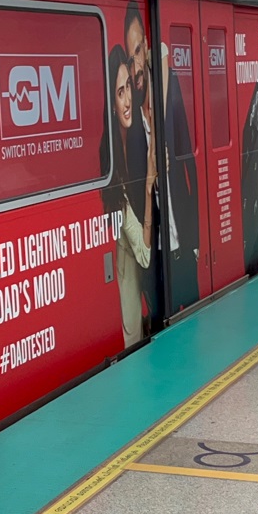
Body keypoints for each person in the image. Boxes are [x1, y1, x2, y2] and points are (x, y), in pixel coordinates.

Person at [124, 5, 198, 315]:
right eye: (132, 60)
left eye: (140, 52)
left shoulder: (170, 103)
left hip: (182, 251)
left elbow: (189, 164)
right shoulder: (129, 133)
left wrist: (195, 241)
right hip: (153, 260)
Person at [100, 45, 151, 345]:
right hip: (129, 278)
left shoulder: (134, 142)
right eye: (120, 92)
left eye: (128, 87)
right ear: (111, 101)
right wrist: (149, 185)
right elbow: (144, 255)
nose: (128, 99)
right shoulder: (113, 170)